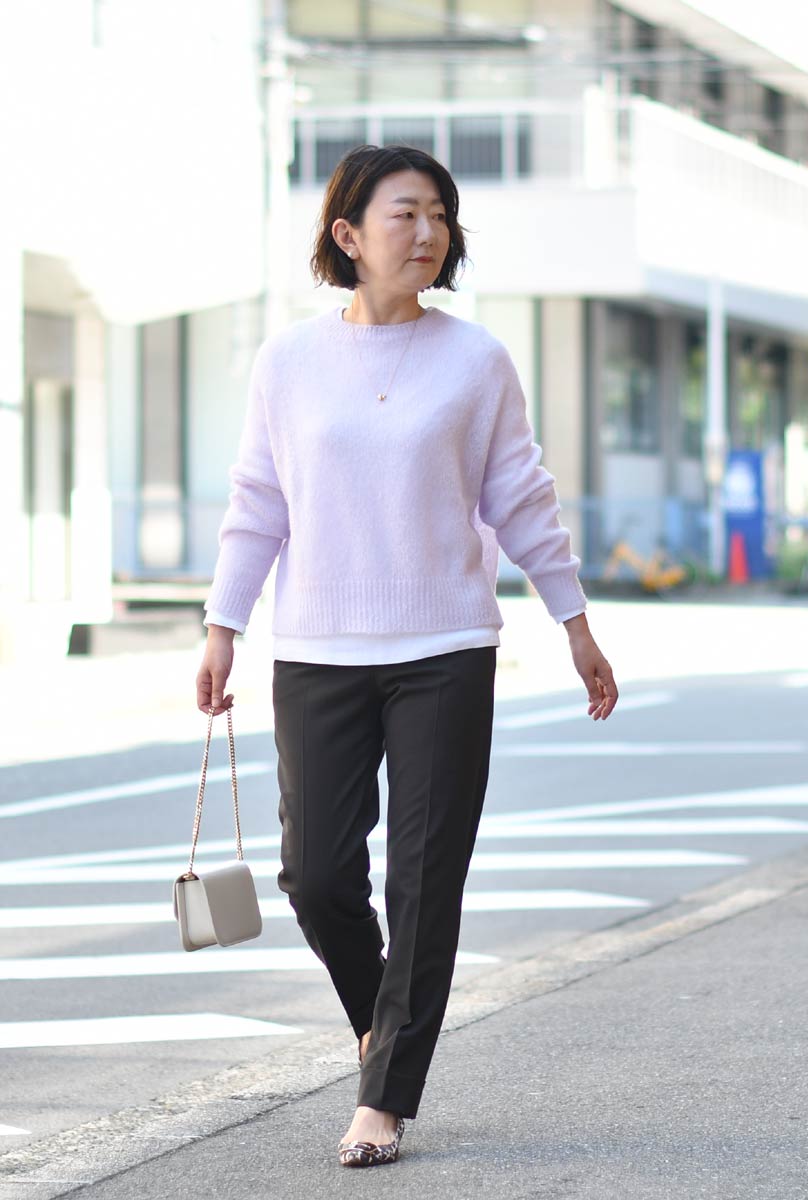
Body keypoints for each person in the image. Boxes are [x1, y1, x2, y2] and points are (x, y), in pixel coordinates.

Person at [194, 144, 618, 1169]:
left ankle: (382, 1098)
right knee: (316, 875)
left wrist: (573, 621)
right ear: (348, 234)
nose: (429, 233)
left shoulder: (476, 361)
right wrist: (222, 625)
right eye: (406, 214)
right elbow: (259, 501)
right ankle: (379, 1027)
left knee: (426, 880)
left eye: (440, 215)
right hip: (318, 650)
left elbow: (521, 497)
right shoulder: (287, 362)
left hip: (446, 648)